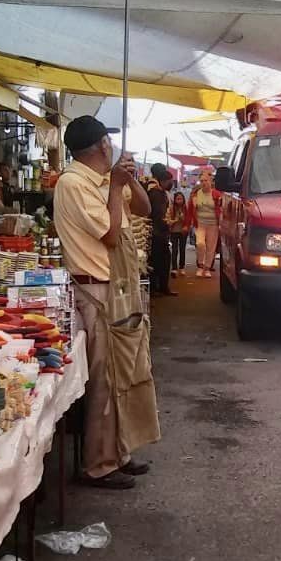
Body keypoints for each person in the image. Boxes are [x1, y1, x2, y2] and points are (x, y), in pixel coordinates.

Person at [53, 116, 157, 490]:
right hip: (95, 290)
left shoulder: (104, 181)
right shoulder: (73, 184)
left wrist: (129, 181)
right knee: (104, 381)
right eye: (107, 141)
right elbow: (111, 236)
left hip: (119, 287)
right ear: (101, 146)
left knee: (124, 374)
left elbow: (144, 209)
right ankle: (98, 464)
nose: (110, 146)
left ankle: (119, 451)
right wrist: (115, 186)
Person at [148, 163, 176, 296]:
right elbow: (158, 214)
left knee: (161, 260)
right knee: (158, 261)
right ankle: (157, 288)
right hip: (158, 232)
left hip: (160, 232)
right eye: (170, 181)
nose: (171, 184)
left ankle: (161, 287)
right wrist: (167, 224)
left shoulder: (159, 191)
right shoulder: (156, 192)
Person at [189, 168, 222, 278]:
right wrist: (188, 223)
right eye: (202, 181)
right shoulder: (196, 194)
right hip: (200, 224)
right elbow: (190, 209)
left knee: (211, 247)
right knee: (200, 244)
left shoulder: (216, 194)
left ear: (211, 182)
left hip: (213, 224)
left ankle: (207, 268)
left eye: (206, 181)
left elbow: (222, 208)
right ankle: (200, 266)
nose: (203, 183)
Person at [169, 190, 190, 276]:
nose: (179, 201)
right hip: (174, 231)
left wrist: (184, 221)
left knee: (182, 249)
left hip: (183, 231)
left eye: (181, 199)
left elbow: (188, 220)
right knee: (174, 249)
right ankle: (174, 267)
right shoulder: (172, 208)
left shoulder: (186, 208)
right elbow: (169, 220)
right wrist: (175, 220)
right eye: (177, 199)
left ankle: (182, 267)